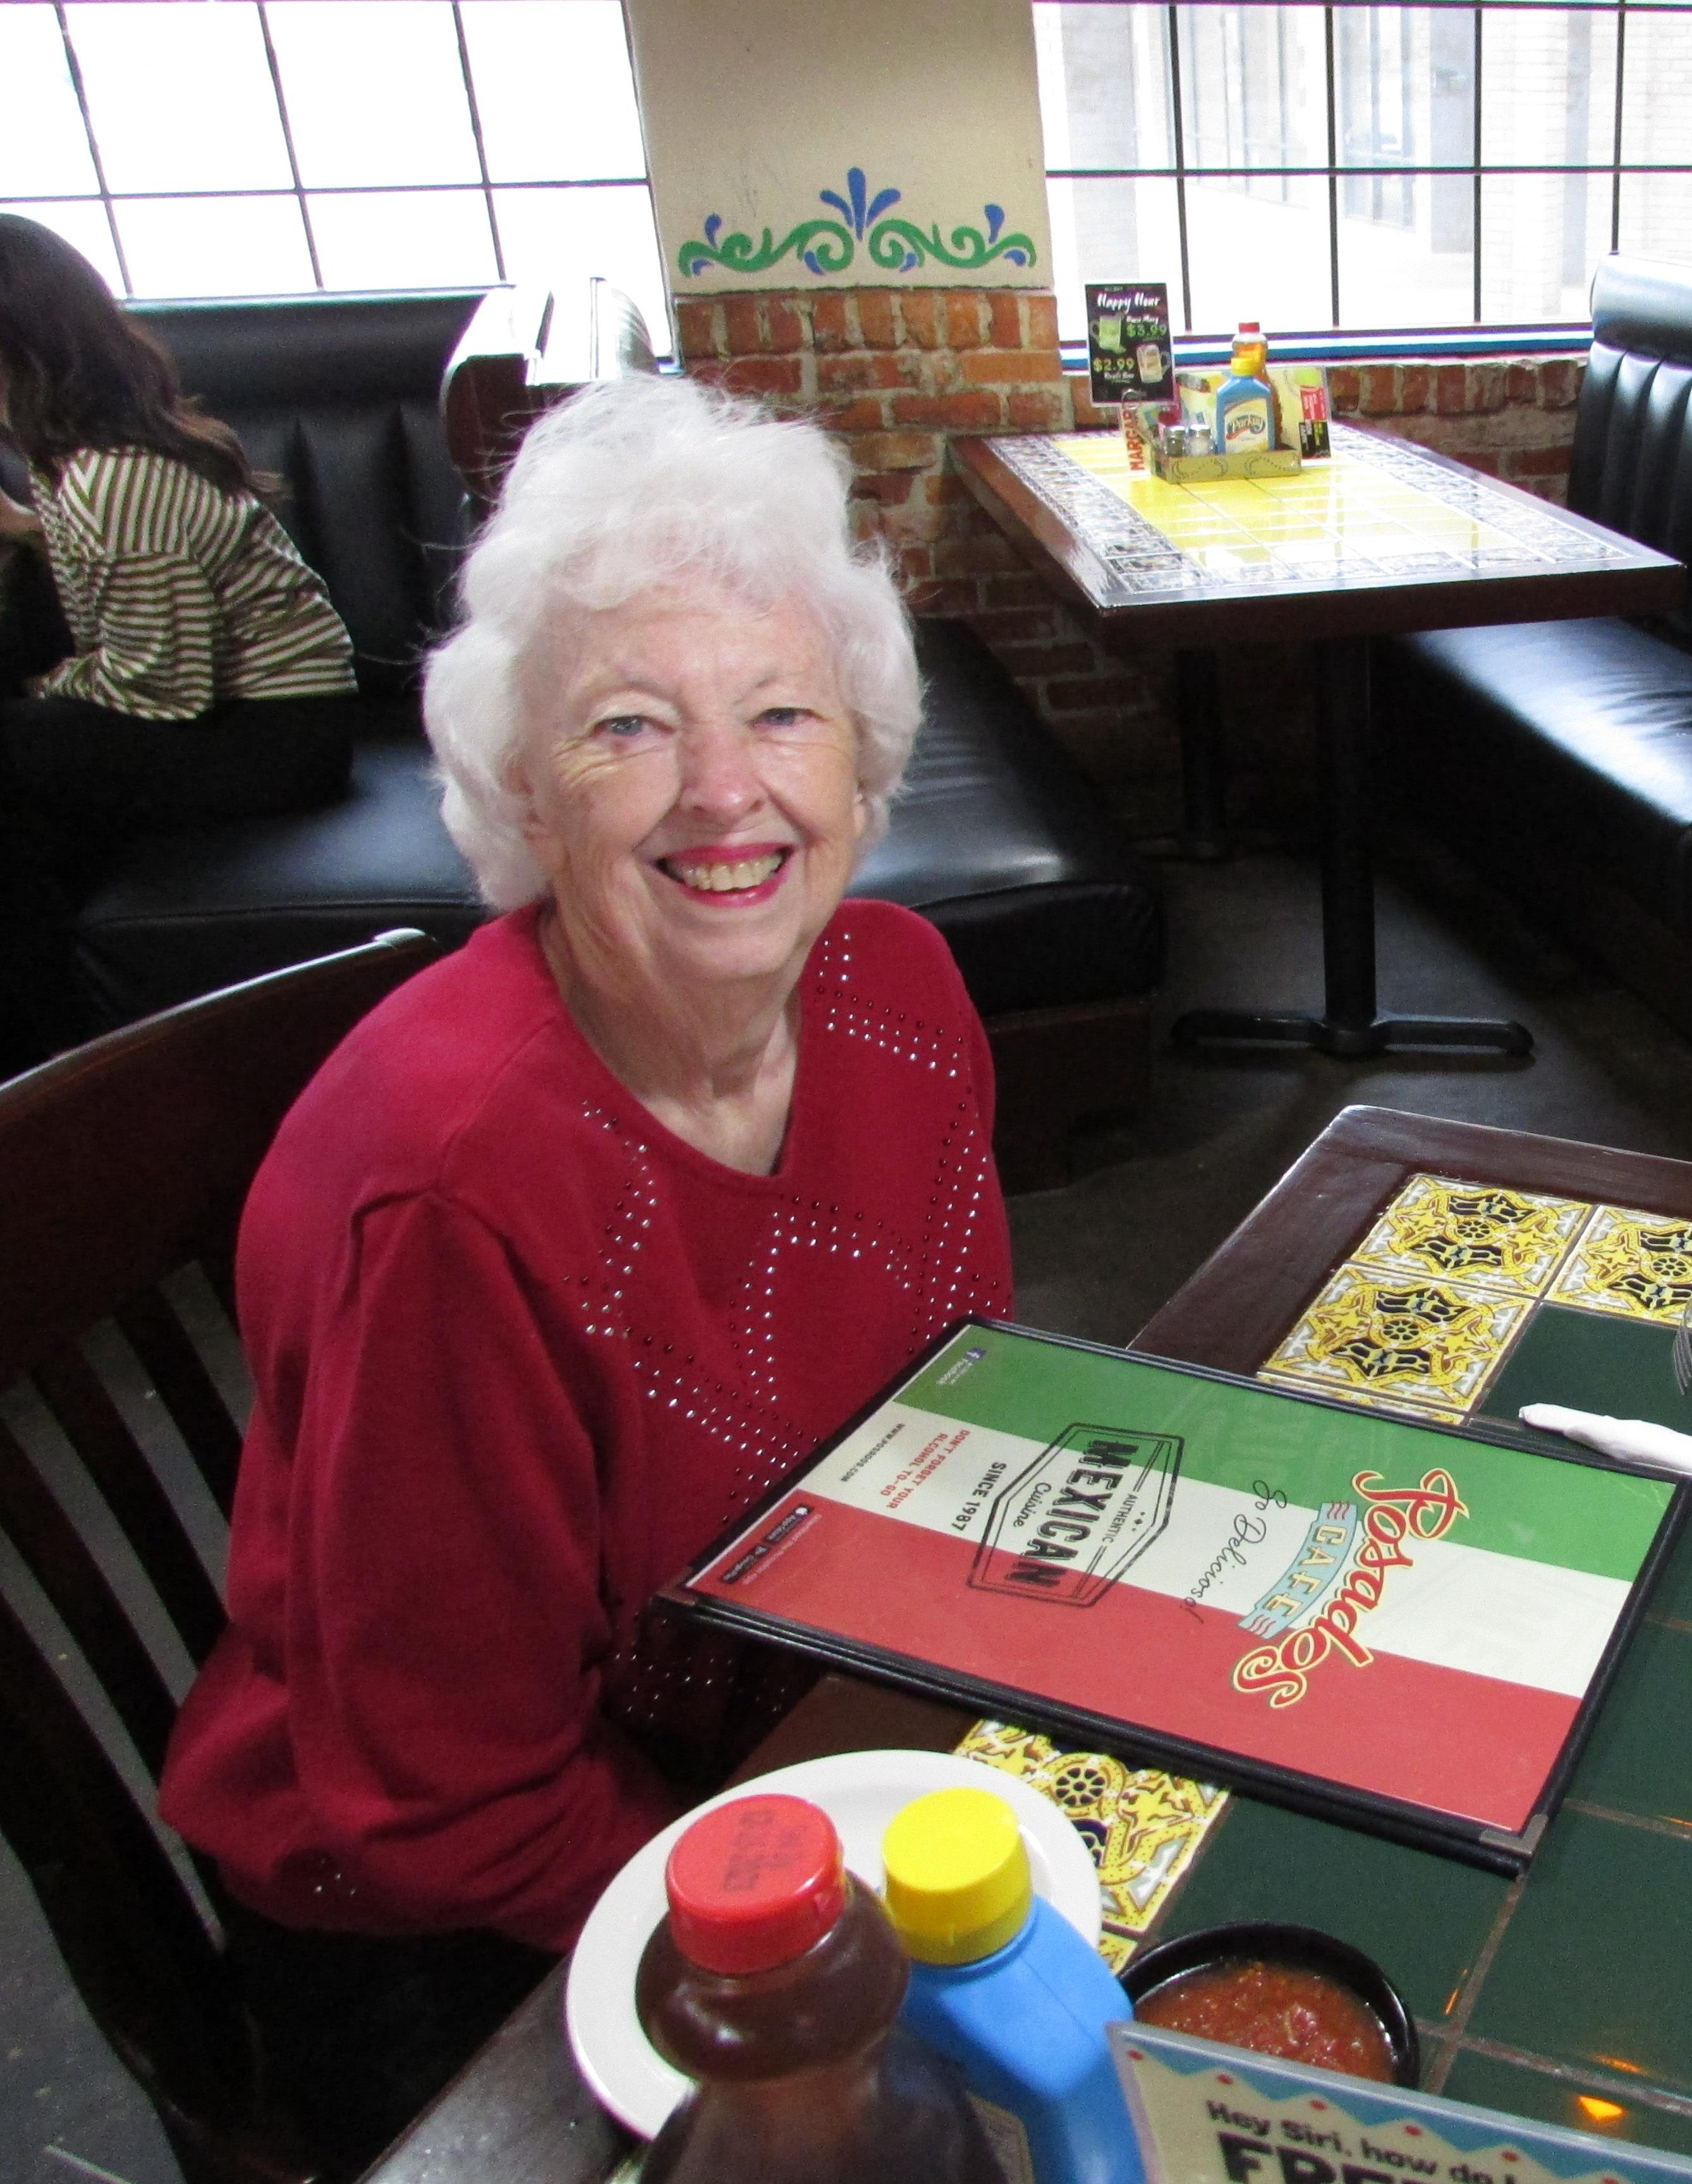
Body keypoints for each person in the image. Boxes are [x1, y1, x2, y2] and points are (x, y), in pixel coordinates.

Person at [156, 373, 1014, 2162]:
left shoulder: (904, 1001)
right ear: (523, 799)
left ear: (861, 762)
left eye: (784, 712)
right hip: (453, 1924)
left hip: (771, 1741)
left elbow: (966, 1434)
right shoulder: (458, 1200)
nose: (724, 795)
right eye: (627, 728)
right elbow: (443, 1804)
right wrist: (832, 1940)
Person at [0, 214, 362, 1069]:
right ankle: (47, 1059)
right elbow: (112, 584)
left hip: (277, 737)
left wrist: (42, 694)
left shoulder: (115, 477)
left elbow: (157, 690)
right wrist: (25, 531)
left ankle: (43, 1061)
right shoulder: (77, 454)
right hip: (233, 715)